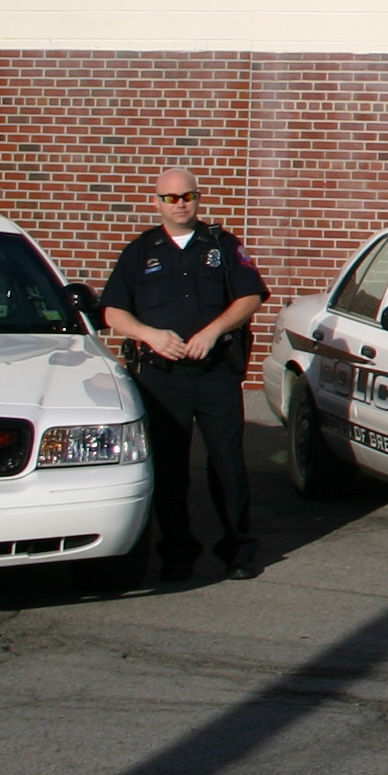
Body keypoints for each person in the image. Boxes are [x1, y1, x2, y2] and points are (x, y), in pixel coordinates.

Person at [102, 169, 268, 580]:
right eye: (171, 197)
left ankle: (238, 551)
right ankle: (177, 553)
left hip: (215, 374)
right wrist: (150, 335)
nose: (180, 204)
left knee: (227, 464)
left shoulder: (221, 245)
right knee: (171, 469)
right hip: (162, 378)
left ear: (198, 198)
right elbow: (112, 311)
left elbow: (250, 296)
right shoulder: (140, 251)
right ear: (156, 202)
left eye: (187, 196)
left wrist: (213, 331)